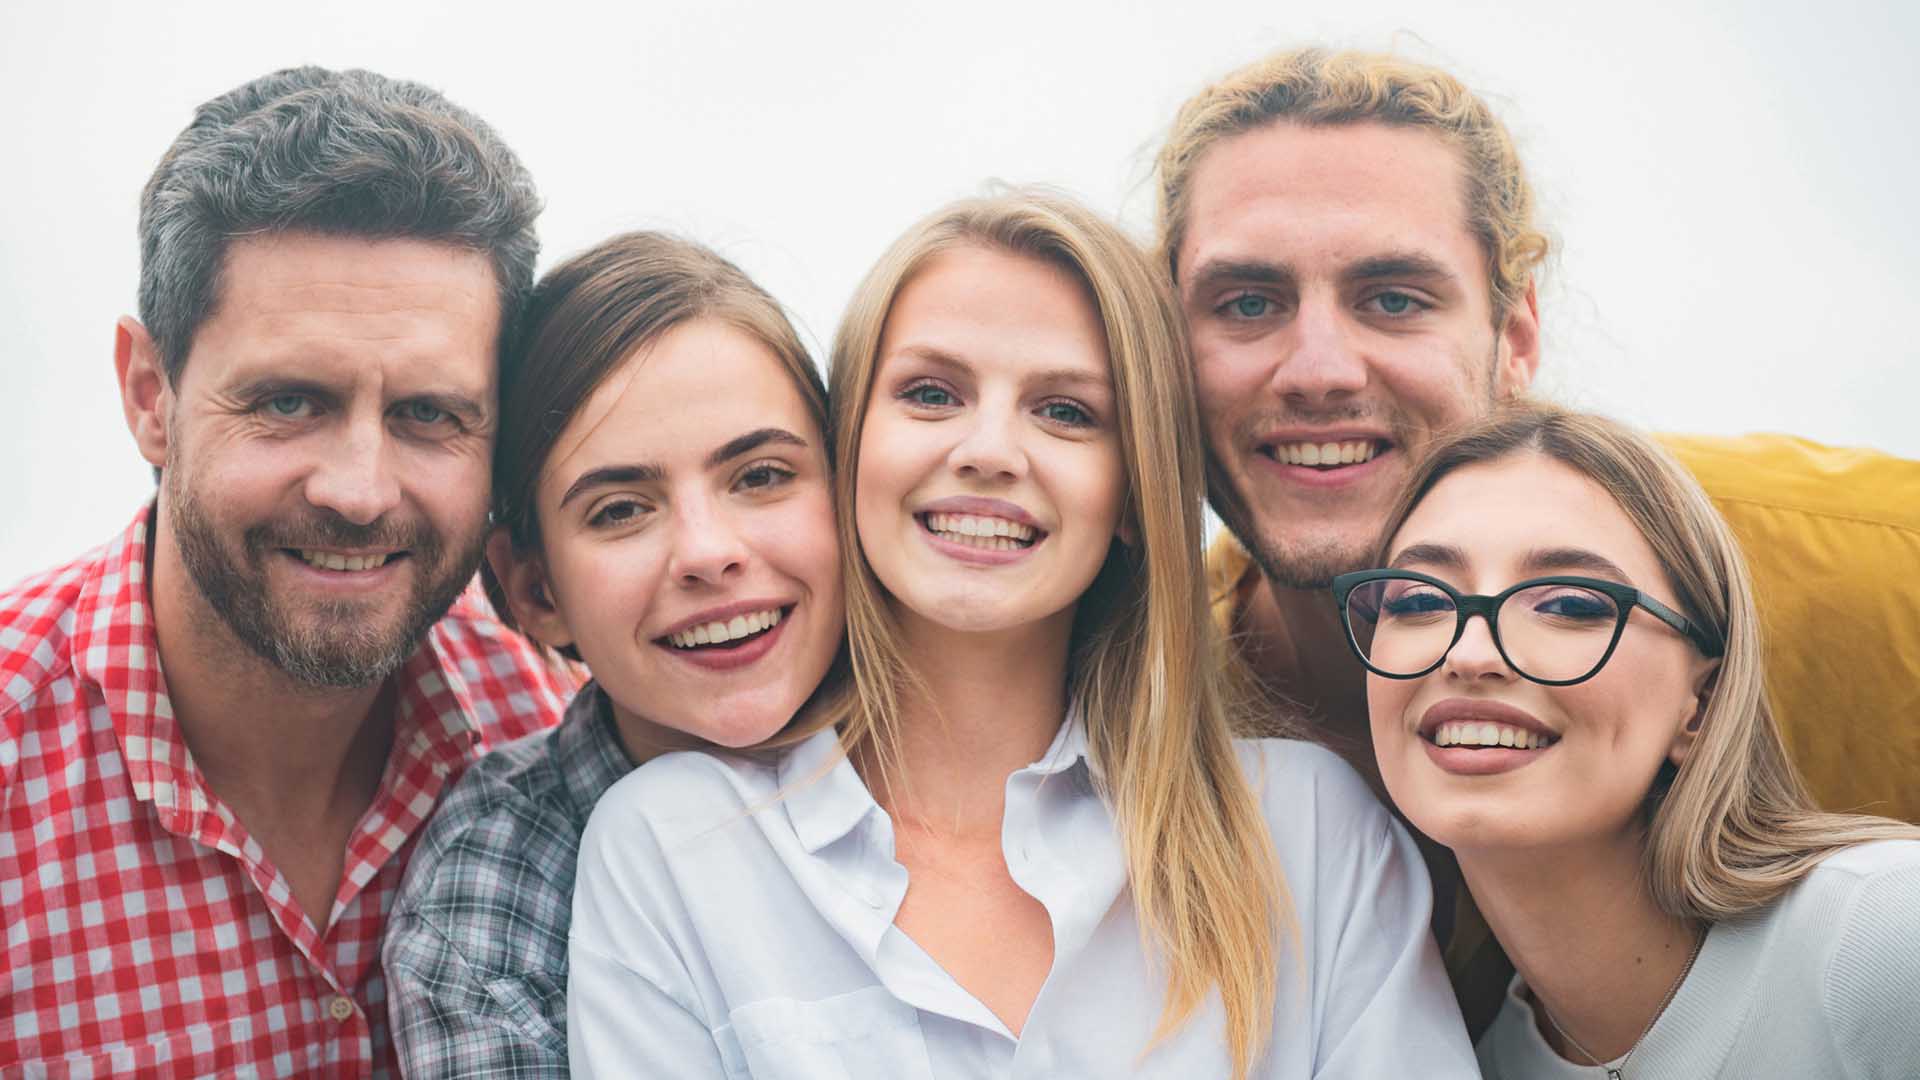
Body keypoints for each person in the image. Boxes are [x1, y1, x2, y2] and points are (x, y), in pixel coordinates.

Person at [567, 188, 1474, 1078]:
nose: (989, 451)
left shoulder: (1310, 834)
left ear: (1133, 493)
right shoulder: (673, 844)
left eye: (1066, 412)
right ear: (849, 448)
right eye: (931, 394)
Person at [1152, 45, 1920, 1034]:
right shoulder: (1117, 712)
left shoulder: (1867, 570)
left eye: (1394, 298)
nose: (1319, 371)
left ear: (1514, 338)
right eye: (1248, 304)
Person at [0, 67, 573, 1075]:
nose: (360, 490)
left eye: (428, 414)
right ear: (150, 395)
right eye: (288, 402)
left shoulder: (557, 726)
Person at [382, 231, 846, 1076]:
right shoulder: (493, 896)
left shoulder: (976, 743)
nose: (708, 553)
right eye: (622, 510)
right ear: (537, 592)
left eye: (761, 476)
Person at [1340, 402, 1920, 1076]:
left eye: (1570, 605)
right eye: (1418, 601)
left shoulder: (1885, 935)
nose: (1469, 654)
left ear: (1702, 702)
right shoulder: (1464, 1060)